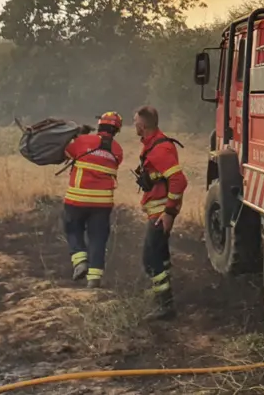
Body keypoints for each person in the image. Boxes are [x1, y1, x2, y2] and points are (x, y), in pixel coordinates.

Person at [133, 105, 187, 321]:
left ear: (143, 125)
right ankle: (161, 296)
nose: (134, 125)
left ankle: (165, 304)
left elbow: (179, 180)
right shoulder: (152, 144)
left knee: (151, 257)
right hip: (157, 209)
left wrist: (169, 213)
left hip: (161, 212)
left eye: (135, 121)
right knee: (160, 255)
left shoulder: (159, 150)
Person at [62, 112, 124, 288]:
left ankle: (80, 261)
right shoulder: (118, 150)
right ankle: (94, 279)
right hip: (102, 203)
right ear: (116, 130)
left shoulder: (83, 141)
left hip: (77, 199)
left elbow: (66, 152)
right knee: (98, 238)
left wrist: (77, 136)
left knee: (72, 229)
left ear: (99, 125)